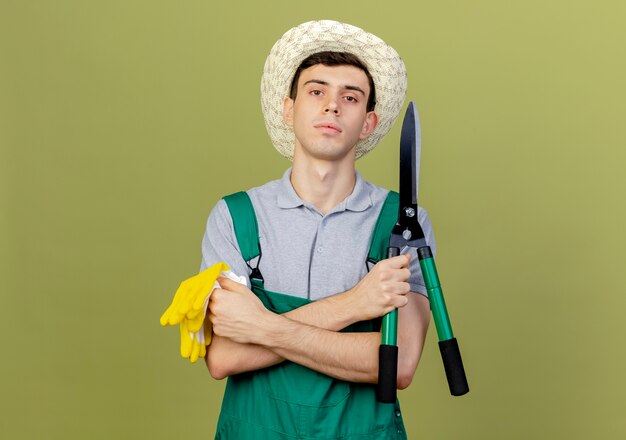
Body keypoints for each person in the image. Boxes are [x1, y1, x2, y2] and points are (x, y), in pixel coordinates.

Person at [201, 20, 435, 439]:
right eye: (316, 91)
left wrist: (264, 328)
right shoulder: (236, 216)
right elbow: (223, 357)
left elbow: (397, 365)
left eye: (350, 96)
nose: (332, 106)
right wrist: (355, 304)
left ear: (367, 122)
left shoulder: (402, 221)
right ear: (288, 109)